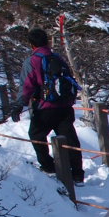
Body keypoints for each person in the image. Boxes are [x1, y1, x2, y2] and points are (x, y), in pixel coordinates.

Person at [20, 27, 84, 183]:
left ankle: (49, 167)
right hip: (64, 107)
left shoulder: (32, 61)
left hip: (44, 108)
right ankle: (77, 174)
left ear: (31, 44)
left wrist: (19, 104)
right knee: (70, 139)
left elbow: (27, 86)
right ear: (47, 41)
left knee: (36, 135)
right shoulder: (58, 58)